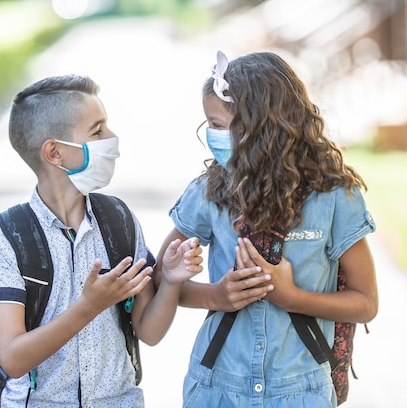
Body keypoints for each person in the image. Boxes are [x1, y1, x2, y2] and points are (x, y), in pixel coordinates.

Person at [156, 51, 378, 408]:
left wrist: (292, 298)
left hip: (301, 391)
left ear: (264, 126)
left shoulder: (334, 197)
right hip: (216, 386)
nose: (211, 136)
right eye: (208, 125)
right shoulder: (209, 191)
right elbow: (160, 278)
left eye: (218, 124)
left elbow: (366, 303)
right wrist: (216, 296)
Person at [0, 74, 203, 408]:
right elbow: (13, 358)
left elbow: (150, 331)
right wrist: (89, 306)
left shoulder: (119, 220)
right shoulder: (9, 240)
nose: (112, 138)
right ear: (54, 152)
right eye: (97, 130)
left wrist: (171, 282)